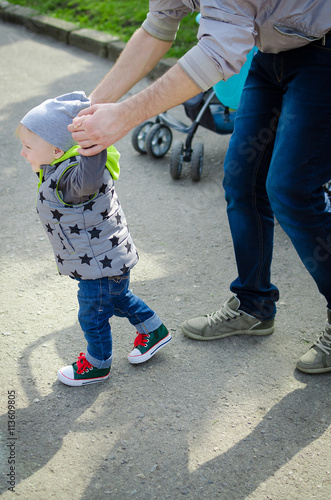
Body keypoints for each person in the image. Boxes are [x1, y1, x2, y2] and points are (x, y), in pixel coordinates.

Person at [68, 1, 331, 374]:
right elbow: (158, 25)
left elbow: (216, 52)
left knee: (292, 190)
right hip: (271, 55)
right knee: (242, 181)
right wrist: (84, 111)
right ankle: (253, 305)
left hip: (324, 51)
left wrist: (124, 116)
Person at [18, 91, 171, 387]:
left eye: (27, 146)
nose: (23, 153)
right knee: (116, 299)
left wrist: (91, 140)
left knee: (92, 315)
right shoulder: (57, 168)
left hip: (100, 264)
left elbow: (89, 174)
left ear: (56, 149)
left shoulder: (74, 179)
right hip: (106, 257)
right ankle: (154, 330)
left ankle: (98, 364)